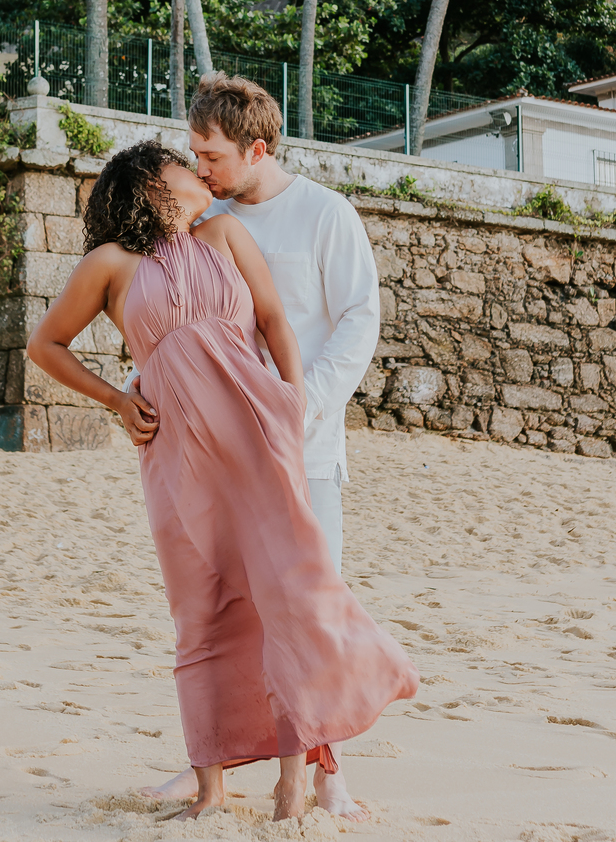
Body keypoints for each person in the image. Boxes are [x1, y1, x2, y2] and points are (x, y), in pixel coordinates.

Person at [27, 138, 417, 822]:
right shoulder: (110, 264)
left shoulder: (226, 233)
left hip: (260, 436)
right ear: (153, 184)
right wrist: (116, 401)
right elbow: (45, 345)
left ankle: (293, 782)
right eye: (183, 164)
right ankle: (211, 791)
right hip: (177, 453)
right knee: (200, 612)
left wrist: (293, 402)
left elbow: (273, 320)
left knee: (285, 596)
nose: (198, 171)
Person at [143, 72, 382, 821]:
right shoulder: (200, 220)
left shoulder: (325, 213)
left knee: (307, 609)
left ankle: (327, 773)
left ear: (257, 148)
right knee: (220, 612)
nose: (200, 168)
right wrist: (135, 393)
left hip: (306, 449)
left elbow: (359, 318)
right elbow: (173, 318)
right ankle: (208, 762)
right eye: (194, 153)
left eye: (211, 155)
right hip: (218, 457)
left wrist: (302, 404)